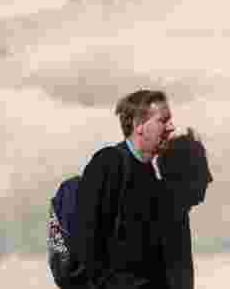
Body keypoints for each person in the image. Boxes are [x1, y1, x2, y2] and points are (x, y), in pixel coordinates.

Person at [73, 89, 175, 289]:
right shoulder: (108, 164)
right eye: (163, 120)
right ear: (139, 125)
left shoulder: (152, 178)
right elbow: (86, 243)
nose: (172, 127)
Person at [155, 128, 213, 289]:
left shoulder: (175, 210)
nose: (209, 178)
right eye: (201, 168)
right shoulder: (166, 213)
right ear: (183, 172)